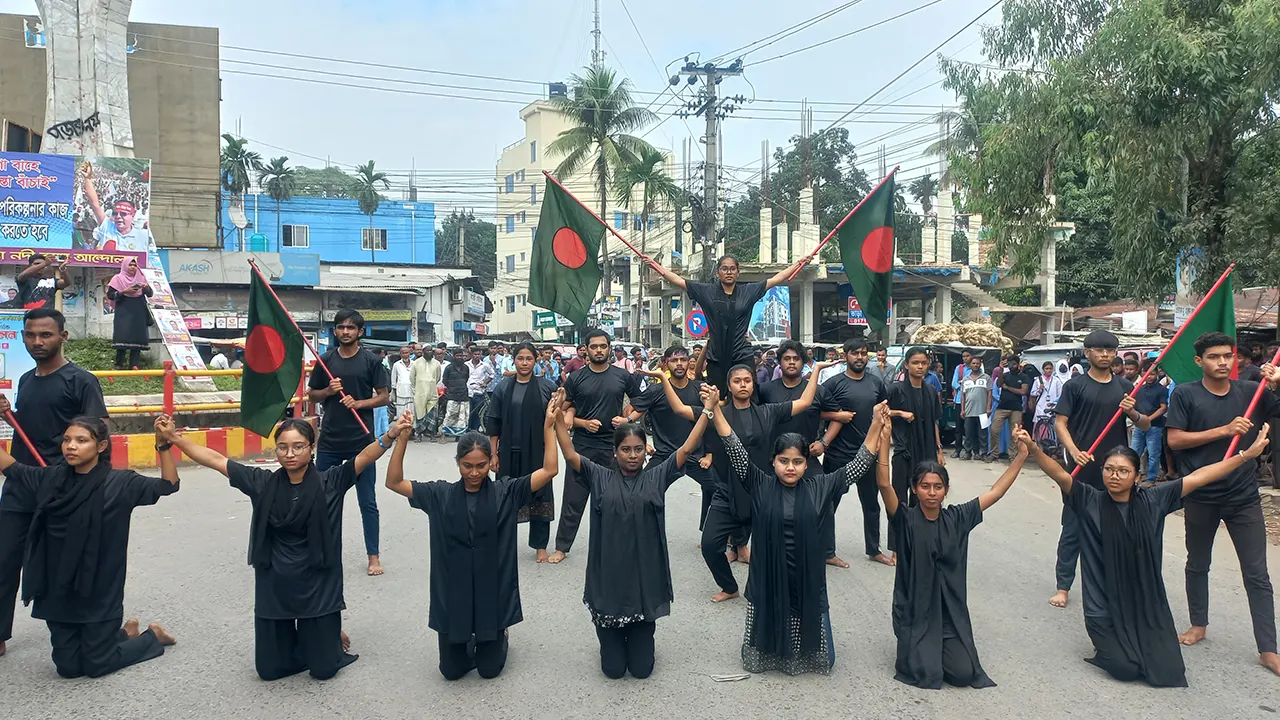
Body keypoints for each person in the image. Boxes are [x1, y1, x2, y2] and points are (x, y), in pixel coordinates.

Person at [1028, 422, 1270, 686]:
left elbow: (1201, 477)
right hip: (1102, 609)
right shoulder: (1089, 500)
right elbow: (1060, 476)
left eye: (1123, 471)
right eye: (1109, 469)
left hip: (1144, 606)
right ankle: (1108, 649)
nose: (1114, 476)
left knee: (1167, 671)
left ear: (1136, 476)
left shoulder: (1153, 500)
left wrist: (1246, 455)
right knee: (1125, 669)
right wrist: (1033, 448)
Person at [165, 414, 401, 680]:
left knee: (323, 670)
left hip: (318, 586)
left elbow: (364, 458)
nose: (290, 454)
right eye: (283, 447)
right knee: (269, 671)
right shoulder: (262, 483)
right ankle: (315, 638)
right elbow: (217, 460)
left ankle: (326, 633)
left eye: (298, 446)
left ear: (312, 448)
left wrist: (391, 435)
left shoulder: (330, 483)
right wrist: (174, 438)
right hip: (275, 585)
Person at [708, 392, 886, 675]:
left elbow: (859, 464)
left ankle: (802, 657)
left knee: (813, 632)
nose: (790, 467)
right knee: (768, 611)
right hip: (768, 574)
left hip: (806, 574)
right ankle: (769, 655)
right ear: (773, 461)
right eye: (783, 461)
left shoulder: (820, 487)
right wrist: (716, 410)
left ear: (806, 462)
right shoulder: (759, 483)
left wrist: (876, 423)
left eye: (798, 462)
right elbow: (734, 447)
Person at [384, 398, 561, 681]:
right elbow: (393, 482)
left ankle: (499, 633)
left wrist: (548, 428)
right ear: (457, 462)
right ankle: (465, 636)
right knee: (451, 672)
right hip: (454, 592)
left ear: (492, 462)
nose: (475, 473)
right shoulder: (439, 495)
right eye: (467, 466)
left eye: (481, 465)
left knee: (489, 670)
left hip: (492, 590)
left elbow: (549, 470)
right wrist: (401, 439)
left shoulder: (506, 492)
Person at [0, 415, 178, 677]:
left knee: (97, 665)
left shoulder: (120, 483)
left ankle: (151, 637)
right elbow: (11, 468)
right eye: (67, 440)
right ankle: (124, 634)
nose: (71, 446)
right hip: (57, 589)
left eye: (82, 441)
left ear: (101, 447)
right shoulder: (51, 479)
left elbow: (168, 485)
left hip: (98, 590)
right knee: (68, 669)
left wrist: (163, 446)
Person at [554, 396, 710, 679]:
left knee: (641, 670)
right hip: (609, 581)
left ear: (646, 452)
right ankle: (609, 638)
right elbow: (569, 453)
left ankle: (640, 639)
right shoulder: (599, 476)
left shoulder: (656, 477)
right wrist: (555, 419)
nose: (632, 455)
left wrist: (708, 411)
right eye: (625, 449)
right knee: (613, 671)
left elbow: (686, 448)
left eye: (638, 449)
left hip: (644, 580)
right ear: (615, 452)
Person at [657, 359, 836, 601]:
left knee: (771, 549)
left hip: (762, 491)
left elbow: (805, 402)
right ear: (729, 386)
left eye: (747, 381)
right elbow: (679, 409)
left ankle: (771, 590)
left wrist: (815, 371)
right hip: (726, 491)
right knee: (710, 545)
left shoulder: (768, 412)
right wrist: (662, 377)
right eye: (737, 381)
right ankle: (729, 587)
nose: (743, 385)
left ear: (753, 385)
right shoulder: (715, 414)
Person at [884, 412, 1032, 690]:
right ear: (914, 490)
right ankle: (921, 647)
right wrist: (883, 438)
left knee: (963, 674)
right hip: (916, 614)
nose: (931, 492)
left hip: (950, 615)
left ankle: (940, 647)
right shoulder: (905, 519)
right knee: (926, 673)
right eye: (925, 486)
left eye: (937, 487)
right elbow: (883, 483)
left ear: (946, 490)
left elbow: (996, 492)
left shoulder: (957, 518)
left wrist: (1021, 456)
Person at [1165, 332, 1280, 676]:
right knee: (1198, 563)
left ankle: (1268, 649)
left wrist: (1277, 385)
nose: (1223, 363)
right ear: (1200, 362)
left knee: (1257, 573)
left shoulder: (1251, 390)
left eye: (1227, 356)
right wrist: (1224, 431)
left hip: (1244, 496)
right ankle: (1198, 624)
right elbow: (1175, 439)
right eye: (1214, 357)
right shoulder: (1186, 393)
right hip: (1201, 494)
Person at [0, 308, 109, 658]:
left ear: (63, 337)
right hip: (21, 483)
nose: (37, 341)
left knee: (65, 563)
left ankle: (91, 628)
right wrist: (8, 414)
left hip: (61, 486)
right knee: (4, 559)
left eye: (45, 335)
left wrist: (93, 487)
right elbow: (35, 424)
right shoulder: (27, 380)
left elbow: (98, 435)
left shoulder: (81, 381)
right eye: (31, 335)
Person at [1050, 330, 1149, 609]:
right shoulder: (1075, 386)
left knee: (1117, 527)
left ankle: (1114, 584)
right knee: (1073, 528)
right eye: (1099, 350)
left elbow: (1145, 425)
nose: (1105, 354)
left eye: (1110, 350)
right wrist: (1074, 451)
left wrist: (1132, 412)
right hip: (1083, 466)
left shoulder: (1125, 388)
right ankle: (1063, 586)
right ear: (1088, 352)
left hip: (1115, 471)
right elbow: (1060, 423)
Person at [306, 309, 390, 577]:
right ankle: (319, 555)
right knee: (322, 500)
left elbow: (384, 397)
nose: (345, 331)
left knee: (367, 502)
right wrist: (328, 391)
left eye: (351, 328)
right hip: (330, 442)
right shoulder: (326, 360)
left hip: (361, 442)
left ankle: (373, 557)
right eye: (341, 327)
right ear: (335, 331)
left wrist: (359, 402)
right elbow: (313, 396)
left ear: (360, 332)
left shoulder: (371, 361)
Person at [650, 254, 807, 396]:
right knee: (716, 396)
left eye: (732, 269)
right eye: (724, 269)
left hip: (742, 354)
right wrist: (654, 265)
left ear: (738, 272)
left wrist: (798, 264)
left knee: (747, 394)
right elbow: (678, 280)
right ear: (718, 272)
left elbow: (776, 279)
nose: (729, 272)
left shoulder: (749, 291)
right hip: (716, 356)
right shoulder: (707, 291)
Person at [551, 329, 643, 564]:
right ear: (586, 350)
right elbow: (563, 410)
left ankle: (617, 547)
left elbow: (643, 402)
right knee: (573, 498)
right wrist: (580, 421)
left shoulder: (623, 376)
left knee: (615, 500)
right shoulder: (577, 378)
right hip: (582, 446)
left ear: (609, 347)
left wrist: (628, 420)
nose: (599, 350)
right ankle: (562, 547)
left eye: (603, 346)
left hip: (613, 447)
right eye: (594, 347)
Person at [625, 345, 715, 530]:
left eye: (683, 360)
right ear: (666, 364)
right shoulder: (656, 391)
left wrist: (710, 454)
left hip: (696, 456)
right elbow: (631, 416)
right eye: (674, 360)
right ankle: (642, 532)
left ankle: (711, 531)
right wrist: (640, 441)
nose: (679, 364)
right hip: (665, 455)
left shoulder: (700, 389)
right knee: (641, 491)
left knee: (720, 488)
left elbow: (712, 423)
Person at [485, 342, 558, 563]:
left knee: (540, 495)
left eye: (528, 359)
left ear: (535, 360)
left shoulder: (547, 387)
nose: (524, 363)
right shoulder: (503, 387)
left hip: (538, 452)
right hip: (508, 451)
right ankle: (503, 545)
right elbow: (494, 421)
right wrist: (493, 454)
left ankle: (540, 546)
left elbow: (556, 421)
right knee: (504, 496)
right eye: (520, 359)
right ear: (513, 360)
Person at [821, 339, 890, 566]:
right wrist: (829, 428)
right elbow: (819, 412)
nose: (859, 357)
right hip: (839, 454)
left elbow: (883, 414)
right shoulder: (833, 384)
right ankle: (827, 551)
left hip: (868, 453)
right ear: (846, 355)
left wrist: (882, 444)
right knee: (829, 503)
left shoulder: (876, 383)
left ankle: (874, 550)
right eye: (855, 353)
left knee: (871, 503)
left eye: (863, 353)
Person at [886, 347, 945, 561]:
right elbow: (881, 411)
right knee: (899, 498)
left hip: (926, 450)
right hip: (904, 450)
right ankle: (896, 546)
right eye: (915, 363)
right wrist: (899, 413)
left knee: (923, 498)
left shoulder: (930, 390)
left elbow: (934, 422)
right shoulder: (896, 390)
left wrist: (938, 450)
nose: (920, 367)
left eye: (923, 363)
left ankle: (920, 542)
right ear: (907, 365)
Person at [759, 341, 841, 479]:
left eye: (796, 359)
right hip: (773, 461)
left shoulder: (817, 391)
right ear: (779, 362)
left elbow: (839, 417)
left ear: (803, 362)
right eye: (787, 358)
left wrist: (824, 442)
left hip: (807, 459)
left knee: (821, 498)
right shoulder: (765, 390)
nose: (791, 362)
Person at [80, 163, 151, 252]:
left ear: (133, 215)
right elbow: (95, 205)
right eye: (116, 213)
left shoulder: (143, 236)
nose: (118, 217)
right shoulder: (107, 226)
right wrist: (87, 179)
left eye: (123, 214)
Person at [104, 257, 153, 369]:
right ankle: (119, 364)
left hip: (139, 312)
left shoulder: (141, 278)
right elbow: (111, 295)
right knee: (122, 336)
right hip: (124, 311)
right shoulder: (117, 279)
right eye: (130, 265)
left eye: (134, 265)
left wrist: (146, 287)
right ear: (125, 266)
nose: (132, 267)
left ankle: (134, 365)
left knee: (137, 337)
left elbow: (150, 294)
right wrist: (124, 291)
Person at [1130, 359, 1169, 484]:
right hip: (1138, 426)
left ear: (1157, 374)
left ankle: (1151, 479)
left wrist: (1148, 419)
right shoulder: (1139, 389)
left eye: (1152, 374)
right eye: (1146, 373)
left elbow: (1163, 408)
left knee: (1153, 454)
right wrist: (1138, 420)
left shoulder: (1161, 390)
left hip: (1155, 426)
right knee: (1134, 453)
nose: (1149, 376)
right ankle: (1134, 477)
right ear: (1142, 373)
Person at [990, 354, 1027, 461]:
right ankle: (994, 454)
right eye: (1010, 364)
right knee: (994, 430)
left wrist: (1008, 388)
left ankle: (1013, 456)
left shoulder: (1023, 377)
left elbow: (1023, 391)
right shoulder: (1005, 375)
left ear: (1018, 364)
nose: (1012, 366)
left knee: (1014, 433)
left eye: (1014, 364)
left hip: (1016, 408)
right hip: (1002, 407)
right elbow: (999, 384)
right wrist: (1001, 369)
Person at [957, 357, 992, 462]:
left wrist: (988, 408)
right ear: (970, 365)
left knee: (983, 434)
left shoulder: (986, 378)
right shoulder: (965, 379)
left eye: (977, 363)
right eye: (973, 363)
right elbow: (963, 396)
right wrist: (962, 410)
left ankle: (983, 453)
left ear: (980, 364)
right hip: (969, 411)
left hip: (983, 411)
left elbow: (989, 394)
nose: (975, 365)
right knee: (968, 433)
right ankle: (968, 452)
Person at [410, 343, 443, 441]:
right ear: (423, 351)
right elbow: (412, 378)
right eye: (427, 350)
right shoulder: (416, 363)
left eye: (430, 351)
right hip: (420, 393)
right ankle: (419, 435)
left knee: (432, 415)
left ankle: (432, 435)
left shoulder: (436, 363)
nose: (429, 352)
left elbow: (437, 377)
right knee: (420, 414)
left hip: (432, 392)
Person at [440, 348, 471, 436]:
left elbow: (466, 379)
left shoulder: (466, 368)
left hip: (464, 395)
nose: (459, 358)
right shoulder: (449, 368)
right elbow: (444, 381)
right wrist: (452, 388)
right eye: (457, 356)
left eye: (461, 356)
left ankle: (459, 436)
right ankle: (444, 435)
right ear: (453, 356)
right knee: (449, 415)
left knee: (462, 417)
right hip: (452, 395)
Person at [466, 345, 494, 433]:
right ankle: (467, 429)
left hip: (479, 391)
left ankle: (475, 429)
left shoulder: (485, 365)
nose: (477, 356)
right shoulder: (466, 365)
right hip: (468, 391)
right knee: (468, 411)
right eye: (475, 354)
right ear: (471, 355)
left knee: (478, 412)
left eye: (478, 354)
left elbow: (492, 374)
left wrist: (486, 383)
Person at [390, 345, 414, 424]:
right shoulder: (397, 364)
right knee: (401, 413)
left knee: (411, 413)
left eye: (406, 353)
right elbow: (393, 378)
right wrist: (393, 390)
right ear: (400, 354)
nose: (405, 355)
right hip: (401, 392)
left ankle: (411, 432)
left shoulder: (414, 364)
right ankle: (400, 431)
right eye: (403, 353)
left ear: (409, 353)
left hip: (412, 392)